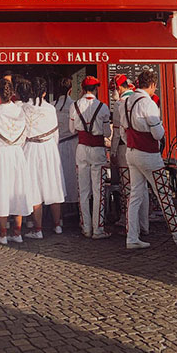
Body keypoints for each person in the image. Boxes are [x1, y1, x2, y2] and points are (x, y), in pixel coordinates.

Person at [117, 70, 177, 250]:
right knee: (163, 193)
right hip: (149, 154)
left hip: (131, 152)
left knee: (134, 196)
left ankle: (132, 236)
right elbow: (158, 133)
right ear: (152, 85)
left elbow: (122, 131)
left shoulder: (126, 101)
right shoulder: (148, 104)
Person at [19, 77, 65, 238]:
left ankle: (37, 229)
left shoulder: (24, 107)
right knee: (53, 185)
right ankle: (57, 224)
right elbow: (55, 134)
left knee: (34, 187)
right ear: (45, 91)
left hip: (30, 147)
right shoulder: (50, 109)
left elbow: (21, 132)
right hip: (48, 148)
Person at [69, 75, 111, 239]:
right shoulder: (103, 107)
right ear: (95, 89)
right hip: (98, 149)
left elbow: (72, 130)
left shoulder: (75, 106)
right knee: (98, 189)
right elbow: (107, 132)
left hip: (81, 148)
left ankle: (86, 226)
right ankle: (98, 228)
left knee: (84, 190)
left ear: (82, 89)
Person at [0, 77, 30, 245]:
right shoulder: (21, 112)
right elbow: (25, 135)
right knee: (17, 190)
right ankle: (18, 232)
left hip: (0, 153)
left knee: (2, 191)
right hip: (16, 153)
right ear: (12, 93)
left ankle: (3, 233)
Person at [110, 74, 134, 226]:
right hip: (140, 147)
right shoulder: (140, 99)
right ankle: (142, 221)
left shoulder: (120, 104)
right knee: (140, 186)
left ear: (119, 88)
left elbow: (117, 132)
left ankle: (127, 219)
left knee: (127, 186)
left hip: (124, 149)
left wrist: (112, 152)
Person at [54, 77, 79, 207]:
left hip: (57, 145)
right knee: (72, 177)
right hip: (72, 144)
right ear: (71, 90)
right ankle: (74, 207)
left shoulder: (52, 106)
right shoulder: (74, 105)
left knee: (59, 177)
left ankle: (60, 208)